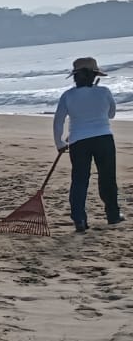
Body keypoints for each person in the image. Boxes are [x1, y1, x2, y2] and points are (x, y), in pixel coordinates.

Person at [54, 56, 121, 233]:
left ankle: (79, 219)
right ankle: (113, 215)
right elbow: (111, 114)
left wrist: (59, 142)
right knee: (107, 178)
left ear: (75, 77)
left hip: (78, 141)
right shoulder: (104, 92)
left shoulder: (68, 95)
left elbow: (58, 121)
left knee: (79, 180)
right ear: (94, 75)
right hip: (103, 138)